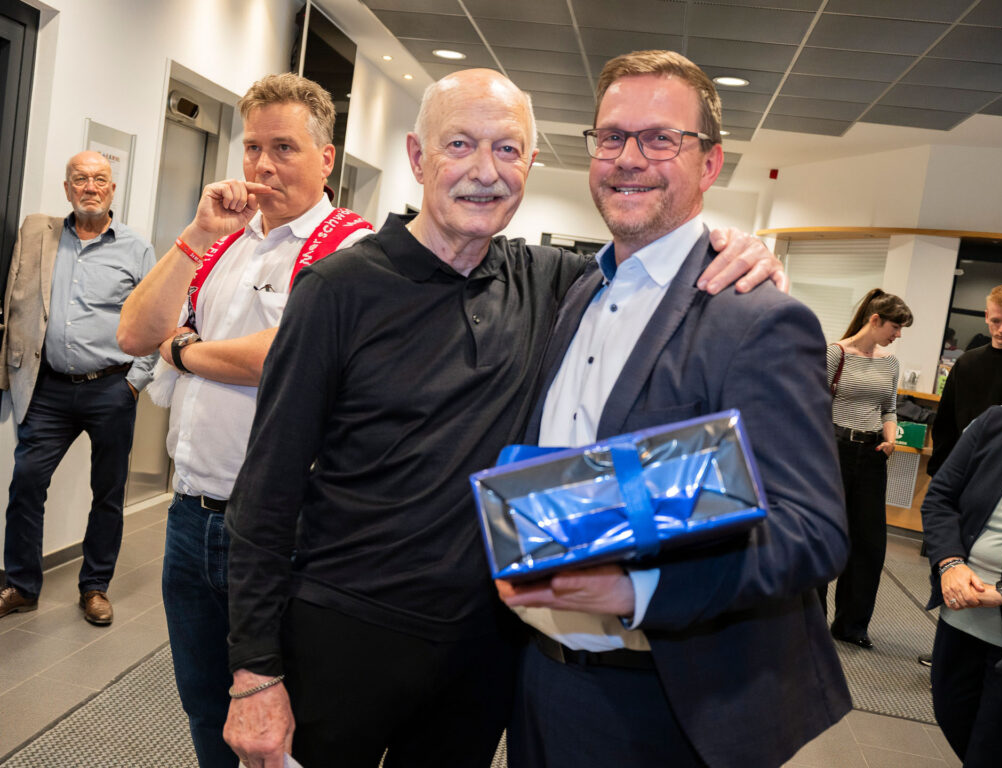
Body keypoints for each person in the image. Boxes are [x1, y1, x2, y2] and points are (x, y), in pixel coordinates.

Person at [221, 67, 785, 768]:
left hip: (486, 647)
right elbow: (267, 489)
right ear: (418, 158)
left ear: (531, 163)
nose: (485, 172)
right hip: (346, 631)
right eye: (459, 145)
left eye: (509, 150)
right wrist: (254, 674)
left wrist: (739, 245)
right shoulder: (338, 290)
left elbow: (654, 254)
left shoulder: (551, 282)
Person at [488, 50, 850, 768]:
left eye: (660, 139)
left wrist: (634, 587)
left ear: (709, 165)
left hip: (667, 702)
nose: (629, 159)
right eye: (612, 137)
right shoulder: (579, 294)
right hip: (541, 678)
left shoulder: (757, 318)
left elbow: (812, 532)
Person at [116, 73, 373, 768]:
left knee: (287, 724)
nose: (262, 167)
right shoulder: (225, 244)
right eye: (252, 148)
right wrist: (198, 235)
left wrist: (187, 348)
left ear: (327, 158)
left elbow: (282, 358)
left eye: (284, 148)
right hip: (189, 515)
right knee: (205, 708)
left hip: (283, 531)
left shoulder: (354, 249)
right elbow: (136, 333)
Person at [0, 151, 156, 626]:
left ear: (113, 189)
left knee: (107, 492)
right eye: (81, 179)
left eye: (100, 180)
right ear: (68, 189)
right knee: (26, 484)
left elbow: (156, 319)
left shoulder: (135, 248)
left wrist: (136, 381)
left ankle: (94, 587)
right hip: (47, 389)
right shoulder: (40, 237)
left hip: (111, 389)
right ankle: (22, 585)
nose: (90, 187)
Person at [921, 405, 1002, 767]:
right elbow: (940, 498)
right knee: (953, 716)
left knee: (992, 747)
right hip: (961, 616)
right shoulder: (997, 423)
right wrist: (950, 562)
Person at [818, 288, 913, 649]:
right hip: (833, 449)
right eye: (895, 326)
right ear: (875, 320)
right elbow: (814, 403)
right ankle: (811, 621)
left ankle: (851, 625)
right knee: (825, 535)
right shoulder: (835, 353)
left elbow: (889, 408)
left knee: (869, 544)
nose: (898, 334)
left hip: (872, 453)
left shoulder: (890, 362)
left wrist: (890, 441)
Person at [928, 285, 1002, 476]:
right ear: (987, 316)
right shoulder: (967, 362)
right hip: (965, 466)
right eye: (996, 321)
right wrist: (940, 471)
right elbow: (945, 423)